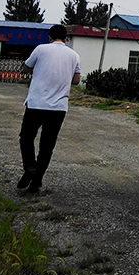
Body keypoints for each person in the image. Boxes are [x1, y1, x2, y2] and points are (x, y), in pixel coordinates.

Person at [17, 24, 81, 192]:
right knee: (47, 146)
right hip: (58, 108)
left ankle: (30, 167)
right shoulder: (74, 55)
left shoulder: (41, 49)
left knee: (26, 137)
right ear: (66, 39)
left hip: (36, 104)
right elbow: (76, 80)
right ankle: (36, 182)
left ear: (49, 37)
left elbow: (25, 68)